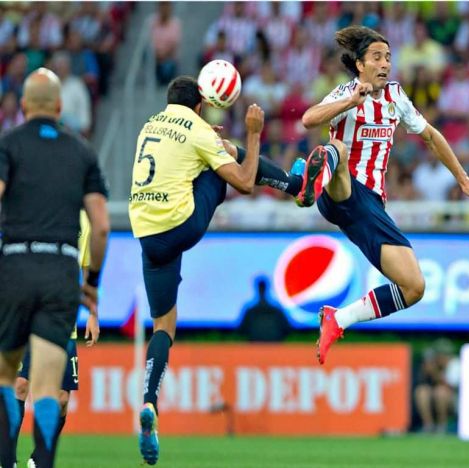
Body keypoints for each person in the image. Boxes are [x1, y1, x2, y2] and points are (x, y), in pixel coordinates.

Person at [294, 26, 469, 365]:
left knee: (414, 287)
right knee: (339, 150)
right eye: (376, 57)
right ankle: (311, 183)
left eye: (388, 57)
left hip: (369, 206)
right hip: (342, 190)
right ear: (360, 65)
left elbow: (431, 136)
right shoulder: (345, 92)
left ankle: (339, 319)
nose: (385, 63)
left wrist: (462, 178)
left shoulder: (395, 97)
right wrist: (349, 101)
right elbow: (307, 118)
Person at [130, 76, 304, 465]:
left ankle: (149, 404)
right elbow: (243, 182)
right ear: (200, 106)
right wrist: (254, 135)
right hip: (181, 226)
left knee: (164, 326)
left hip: (146, 233)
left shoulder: (150, 124)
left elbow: (183, 140)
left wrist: (209, 139)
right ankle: (296, 186)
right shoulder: (198, 129)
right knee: (228, 162)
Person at [0, 68, 109, 468]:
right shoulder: (82, 153)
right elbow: (101, 227)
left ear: (24, 105)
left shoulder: (8, 146)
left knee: (10, 379)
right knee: (44, 386)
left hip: (15, 268)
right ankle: (37, 461)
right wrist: (92, 286)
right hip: (60, 277)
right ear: (61, 107)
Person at [14, 211, 100, 467]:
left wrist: (93, 314)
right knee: (20, 384)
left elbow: (85, 270)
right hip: (26, 315)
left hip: (64, 322)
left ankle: (37, 459)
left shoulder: (84, 219)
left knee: (61, 399)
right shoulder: (35, 207)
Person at [414, 339, 460, 433]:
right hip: (434, 401)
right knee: (421, 391)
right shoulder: (432, 363)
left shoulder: (455, 364)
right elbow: (420, 382)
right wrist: (426, 371)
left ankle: (442, 426)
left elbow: (450, 386)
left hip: (454, 401)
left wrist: (434, 373)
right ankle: (428, 426)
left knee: (440, 392)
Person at [239, 276, 289, 342]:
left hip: (272, 347)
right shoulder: (277, 310)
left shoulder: (250, 311)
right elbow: (287, 329)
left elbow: (242, 330)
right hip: (258, 347)